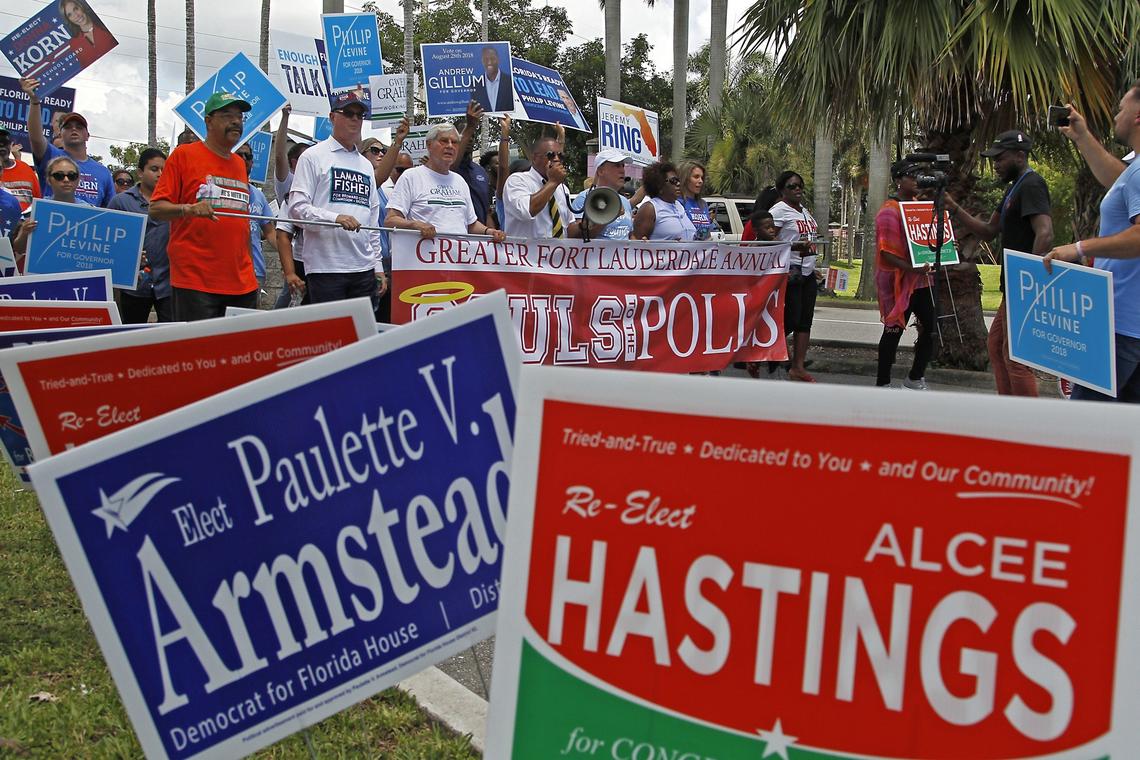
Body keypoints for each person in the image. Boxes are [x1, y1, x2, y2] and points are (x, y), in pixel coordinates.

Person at [1042, 86, 1140, 402]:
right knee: (1121, 436)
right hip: (1127, 326)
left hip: (1121, 328)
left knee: (1082, 430)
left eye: (1120, 108)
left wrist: (1079, 248)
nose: (1115, 115)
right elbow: (1118, 179)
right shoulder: (1133, 170)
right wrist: (1082, 136)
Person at [945, 129, 1053, 397]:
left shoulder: (1032, 185)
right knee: (996, 347)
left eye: (1000, 158)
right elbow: (989, 230)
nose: (995, 164)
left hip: (1023, 285)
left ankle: (1025, 423)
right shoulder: (1013, 189)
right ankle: (1007, 411)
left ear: (1019, 155)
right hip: (1013, 285)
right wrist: (954, 207)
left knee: (1015, 357)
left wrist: (1029, 278)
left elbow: (1045, 232)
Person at [149, 91, 259, 320]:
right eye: (227, 115)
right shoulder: (184, 155)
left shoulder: (240, 164)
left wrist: (251, 271)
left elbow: (242, 223)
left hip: (242, 283)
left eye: (240, 116)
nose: (236, 121)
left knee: (239, 354)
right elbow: (156, 208)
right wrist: (188, 209)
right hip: (197, 282)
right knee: (199, 354)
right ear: (208, 121)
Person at [288, 91, 386, 307]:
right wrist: (335, 218)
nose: (355, 119)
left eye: (360, 116)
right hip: (326, 267)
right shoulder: (313, 156)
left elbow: (372, 219)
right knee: (328, 337)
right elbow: (296, 209)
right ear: (332, 117)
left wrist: (377, 265)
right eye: (348, 113)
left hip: (363, 267)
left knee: (363, 336)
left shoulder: (366, 165)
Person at [385, 123, 506, 241]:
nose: (450, 146)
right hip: (424, 259)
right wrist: (416, 225)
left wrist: (489, 231)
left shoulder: (460, 181)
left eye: (454, 142)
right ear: (429, 145)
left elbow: (471, 224)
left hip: (459, 258)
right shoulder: (411, 177)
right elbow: (390, 220)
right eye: (444, 141)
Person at [874, 160, 935, 389]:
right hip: (897, 282)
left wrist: (947, 246)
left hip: (922, 280)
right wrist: (912, 268)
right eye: (912, 175)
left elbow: (929, 239)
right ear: (899, 180)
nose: (918, 180)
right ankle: (883, 383)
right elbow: (886, 253)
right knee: (893, 330)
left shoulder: (921, 207)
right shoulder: (889, 211)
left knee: (932, 328)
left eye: (920, 175)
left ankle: (915, 377)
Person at [21, 78, 113, 207]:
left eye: (79, 127)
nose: (74, 129)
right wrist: (35, 102)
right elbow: (36, 138)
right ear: (60, 134)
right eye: (68, 127)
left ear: (87, 135)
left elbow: (110, 212)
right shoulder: (51, 156)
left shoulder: (103, 172)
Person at [108, 148, 173, 323]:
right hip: (133, 286)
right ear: (140, 172)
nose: (160, 174)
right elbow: (109, 242)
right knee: (131, 336)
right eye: (154, 169)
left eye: (163, 170)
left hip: (168, 284)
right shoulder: (121, 202)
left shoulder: (175, 202)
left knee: (171, 339)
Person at [768, 170, 819, 382]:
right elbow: (767, 240)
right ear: (782, 190)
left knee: (805, 321)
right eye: (792, 186)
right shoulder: (779, 211)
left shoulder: (803, 211)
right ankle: (768, 352)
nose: (797, 189)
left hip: (807, 271)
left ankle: (797, 367)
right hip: (790, 270)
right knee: (791, 317)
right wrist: (793, 246)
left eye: (800, 185)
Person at [502, 134, 579, 239]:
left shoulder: (562, 188)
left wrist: (591, 222)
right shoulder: (517, 180)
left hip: (557, 254)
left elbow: (568, 227)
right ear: (534, 158)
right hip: (526, 254)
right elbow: (526, 211)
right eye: (551, 155)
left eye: (560, 156)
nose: (556, 159)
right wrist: (552, 182)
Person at [234, 143, 275, 294]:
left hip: (256, 271)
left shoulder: (258, 195)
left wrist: (288, 255)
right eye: (239, 155)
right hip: (228, 271)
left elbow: (270, 233)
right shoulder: (219, 189)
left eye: (248, 156)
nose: (244, 159)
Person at [572, 148, 634, 240]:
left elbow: (629, 235)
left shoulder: (625, 201)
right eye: (617, 166)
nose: (622, 170)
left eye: (623, 165)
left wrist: (642, 245)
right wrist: (609, 215)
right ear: (600, 171)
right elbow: (577, 238)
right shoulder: (584, 198)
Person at [631, 161, 696, 241]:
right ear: (659, 185)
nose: (678, 184)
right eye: (673, 181)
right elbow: (636, 244)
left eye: (679, 180)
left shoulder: (679, 205)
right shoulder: (649, 208)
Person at [453, 101, 494, 226]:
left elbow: (486, 211)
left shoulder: (480, 171)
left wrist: (491, 233)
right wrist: (470, 126)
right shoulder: (445, 169)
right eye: (464, 134)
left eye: (472, 135)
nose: (469, 138)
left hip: (478, 238)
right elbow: (452, 166)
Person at [58, 0, 115, 68]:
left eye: (76, 8)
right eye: (70, 15)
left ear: (81, 6)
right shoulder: (74, 44)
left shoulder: (105, 25)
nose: (76, 15)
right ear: (68, 20)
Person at [677, 159, 715, 240]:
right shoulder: (677, 203)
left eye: (702, 178)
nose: (700, 181)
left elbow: (707, 234)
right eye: (696, 177)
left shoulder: (703, 204)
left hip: (703, 250)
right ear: (685, 178)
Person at [2, 138, 41, 212]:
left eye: (4, 142)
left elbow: (38, 202)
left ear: (11, 145)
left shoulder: (25, 168)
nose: (1, 146)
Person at [472, 47, 513, 112]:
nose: (489, 62)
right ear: (482, 61)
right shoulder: (475, 84)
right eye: (486, 59)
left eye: (492, 58)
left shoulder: (510, 82)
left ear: (498, 59)